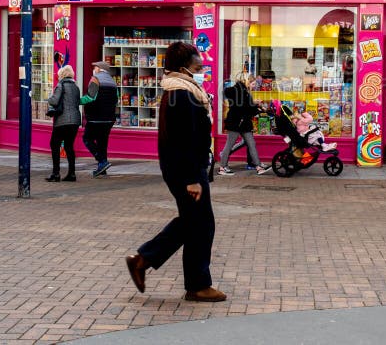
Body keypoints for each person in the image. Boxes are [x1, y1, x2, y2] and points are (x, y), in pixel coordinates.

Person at [125, 42, 226, 302]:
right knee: (201, 224)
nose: (201, 71)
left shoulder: (183, 91)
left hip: (184, 169)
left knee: (194, 222)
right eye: (197, 67)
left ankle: (144, 260)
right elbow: (185, 139)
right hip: (186, 172)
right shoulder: (182, 94)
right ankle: (196, 284)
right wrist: (193, 178)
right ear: (183, 68)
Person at [218, 77, 271, 176]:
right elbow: (245, 108)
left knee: (251, 144)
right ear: (246, 81)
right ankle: (222, 167)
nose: (255, 86)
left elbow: (246, 107)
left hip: (244, 123)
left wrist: (255, 106)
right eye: (253, 83)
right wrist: (256, 106)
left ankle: (258, 167)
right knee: (229, 145)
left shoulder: (243, 92)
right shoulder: (241, 92)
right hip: (236, 123)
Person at [80, 61, 118, 177]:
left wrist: (78, 101)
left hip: (95, 117)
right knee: (103, 143)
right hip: (109, 119)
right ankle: (102, 169)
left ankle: (102, 160)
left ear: (99, 69)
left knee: (87, 138)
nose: (94, 69)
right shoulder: (113, 82)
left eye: (95, 67)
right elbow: (116, 99)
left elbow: (90, 97)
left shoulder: (95, 79)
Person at [45, 65, 81, 182]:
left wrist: (48, 98)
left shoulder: (60, 85)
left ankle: (56, 173)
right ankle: (72, 173)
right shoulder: (76, 87)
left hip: (62, 121)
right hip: (75, 121)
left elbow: (55, 100)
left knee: (54, 144)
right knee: (69, 146)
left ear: (62, 75)